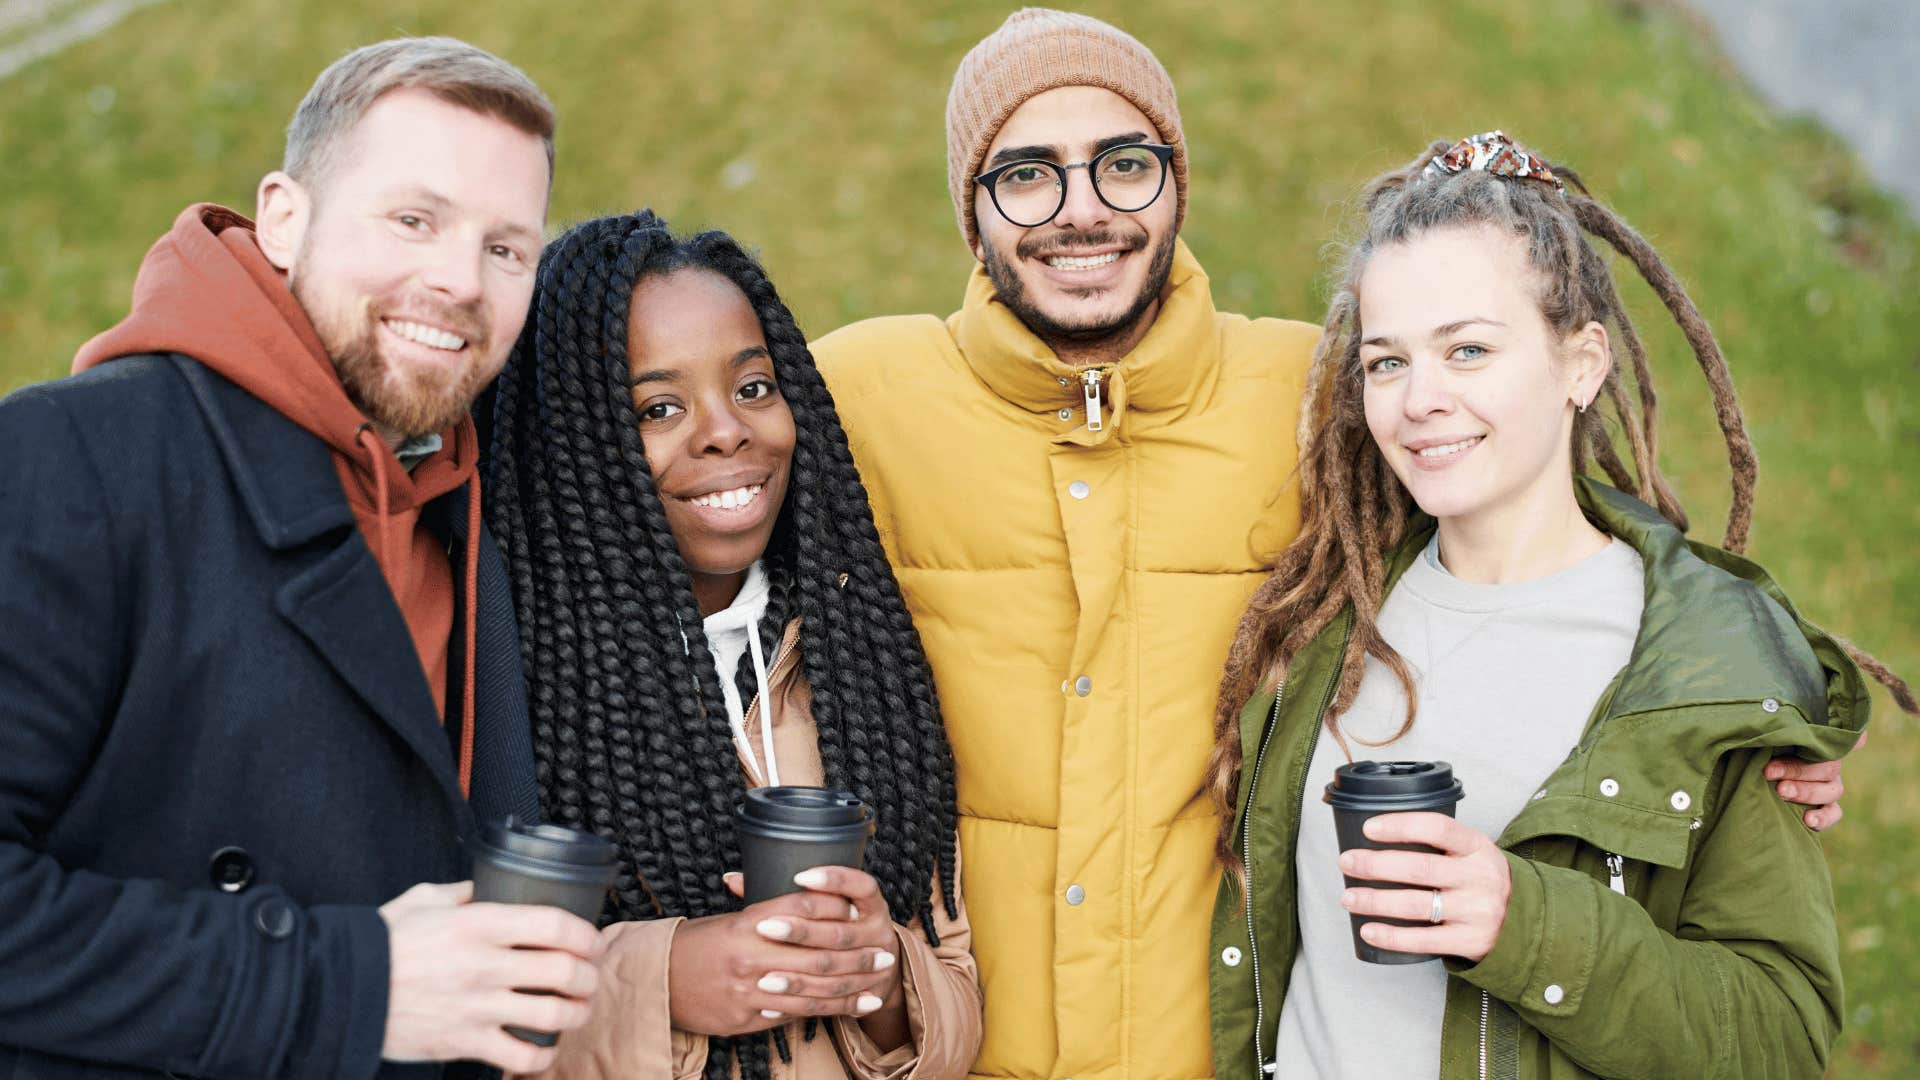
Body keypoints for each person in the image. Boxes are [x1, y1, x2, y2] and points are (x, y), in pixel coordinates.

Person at [808, 11, 1850, 1077]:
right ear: (969, 210)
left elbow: (1538, 503)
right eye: (1025, 174)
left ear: (1177, 180)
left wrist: (1739, 692)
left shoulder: (1303, 405)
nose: (1081, 210)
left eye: (1125, 164)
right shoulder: (857, 396)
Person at [1204, 132, 1916, 1080]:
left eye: (1467, 349)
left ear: (1580, 365)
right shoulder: (1326, 613)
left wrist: (1521, 922)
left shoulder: (1699, 668)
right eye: (1386, 362)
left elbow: (1778, 1034)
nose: (1421, 400)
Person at [0, 38, 603, 1078]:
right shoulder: (64, 460)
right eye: (413, 220)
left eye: (507, 249)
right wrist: (347, 983)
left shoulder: (472, 495)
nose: (459, 280)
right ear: (283, 217)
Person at [482, 210, 982, 1080]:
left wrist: (884, 978)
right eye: (659, 407)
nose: (726, 431)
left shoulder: (859, 663)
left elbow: (957, 996)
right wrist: (660, 978)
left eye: (753, 388)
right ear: (571, 447)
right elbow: (450, 1013)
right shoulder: (517, 682)